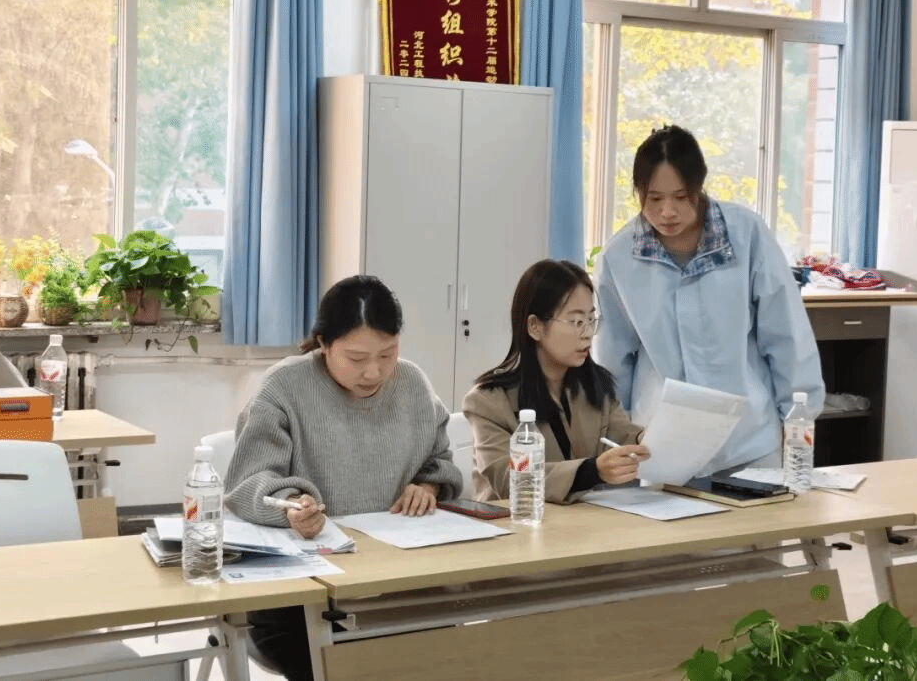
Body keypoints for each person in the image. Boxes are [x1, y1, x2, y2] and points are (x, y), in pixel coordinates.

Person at [225, 274, 462, 681]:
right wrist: (291, 508)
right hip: (303, 594)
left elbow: (439, 458)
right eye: (356, 358)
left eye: (387, 354)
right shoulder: (284, 387)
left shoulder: (412, 384)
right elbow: (249, 481)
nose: (374, 372)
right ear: (323, 343)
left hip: (395, 578)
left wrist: (428, 486)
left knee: (452, 646)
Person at [593, 124, 824, 474]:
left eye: (680, 196)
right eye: (654, 198)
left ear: (699, 186)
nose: (667, 211)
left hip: (749, 439)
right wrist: (619, 433)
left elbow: (787, 336)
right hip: (659, 442)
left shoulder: (747, 236)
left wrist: (796, 420)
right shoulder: (619, 257)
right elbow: (612, 359)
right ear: (638, 192)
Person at [463, 259, 649, 503]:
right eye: (576, 322)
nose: (587, 334)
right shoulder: (489, 401)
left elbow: (624, 437)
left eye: (591, 320)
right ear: (535, 327)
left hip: (584, 522)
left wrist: (647, 442)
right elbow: (508, 479)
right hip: (515, 522)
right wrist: (591, 471)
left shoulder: (596, 387)